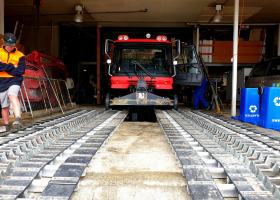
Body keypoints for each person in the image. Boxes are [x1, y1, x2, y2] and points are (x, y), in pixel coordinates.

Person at [0, 33, 26, 131]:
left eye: (12, 45)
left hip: (15, 79)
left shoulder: (20, 55)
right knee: (4, 105)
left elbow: (21, 71)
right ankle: (6, 125)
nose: (10, 47)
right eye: (8, 45)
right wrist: (11, 66)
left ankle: (18, 119)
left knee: (12, 95)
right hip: (1, 81)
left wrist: (4, 66)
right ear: (4, 42)